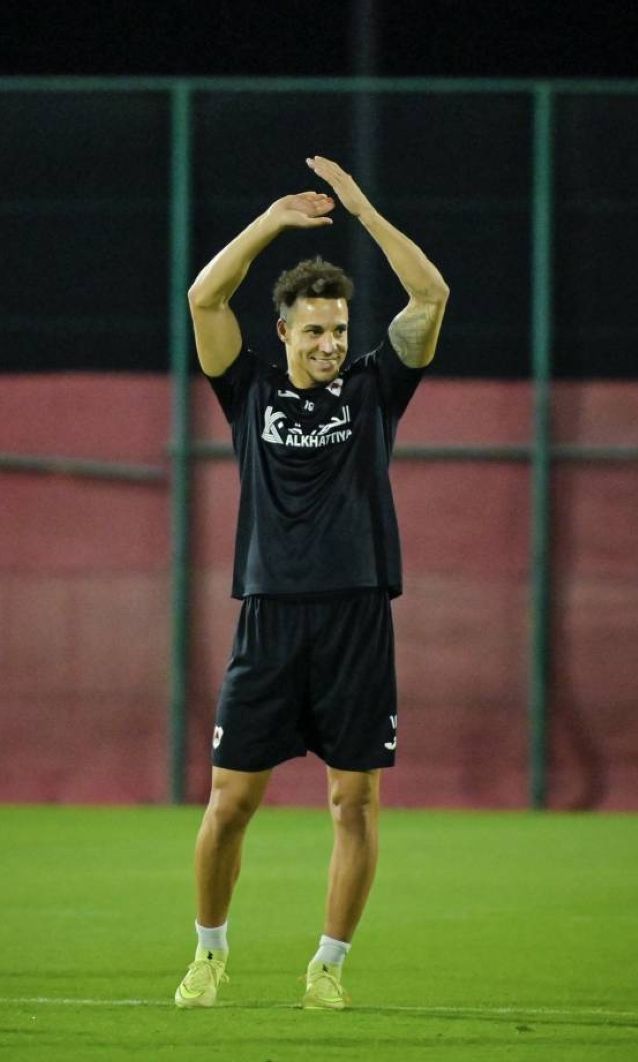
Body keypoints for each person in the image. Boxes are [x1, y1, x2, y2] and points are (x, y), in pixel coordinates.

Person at [175, 155, 449, 1011]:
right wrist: (269, 221)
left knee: (354, 800)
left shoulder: (375, 388)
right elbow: (202, 299)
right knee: (228, 803)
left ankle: (327, 965)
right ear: (285, 334)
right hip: (268, 615)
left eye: (339, 327)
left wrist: (362, 209)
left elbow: (431, 295)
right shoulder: (246, 387)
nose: (331, 342)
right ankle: (209, 953)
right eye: (315, 330)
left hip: (358, 613)